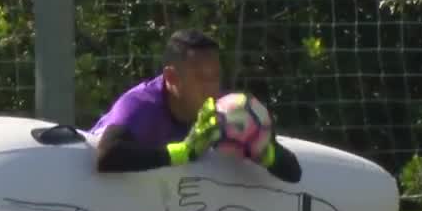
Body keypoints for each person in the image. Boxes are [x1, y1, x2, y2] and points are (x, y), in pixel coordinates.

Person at [90, 29, 302, 183]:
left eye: (215, 77)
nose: (211, 89)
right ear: (172, 78)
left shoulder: (229, 110)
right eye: (201, 78)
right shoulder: (141, 104)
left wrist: (265, 153)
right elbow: (106, 156)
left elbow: (293, 173)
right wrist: (183, 152)